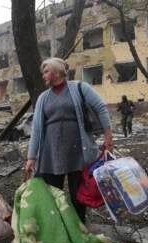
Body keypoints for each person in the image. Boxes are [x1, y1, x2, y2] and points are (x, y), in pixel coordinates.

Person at [25, 57, 113, 223]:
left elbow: (101, 108)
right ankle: (57, 228)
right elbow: (36, 128)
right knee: (51, 196)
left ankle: (79, 227)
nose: (43, 76)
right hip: (51, 154)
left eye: (46, 71)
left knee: (78, 196)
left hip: (78, 152)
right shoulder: (43, 98)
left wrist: (109, 136)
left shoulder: (80, 87)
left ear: (57, 72)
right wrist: (31, 157)